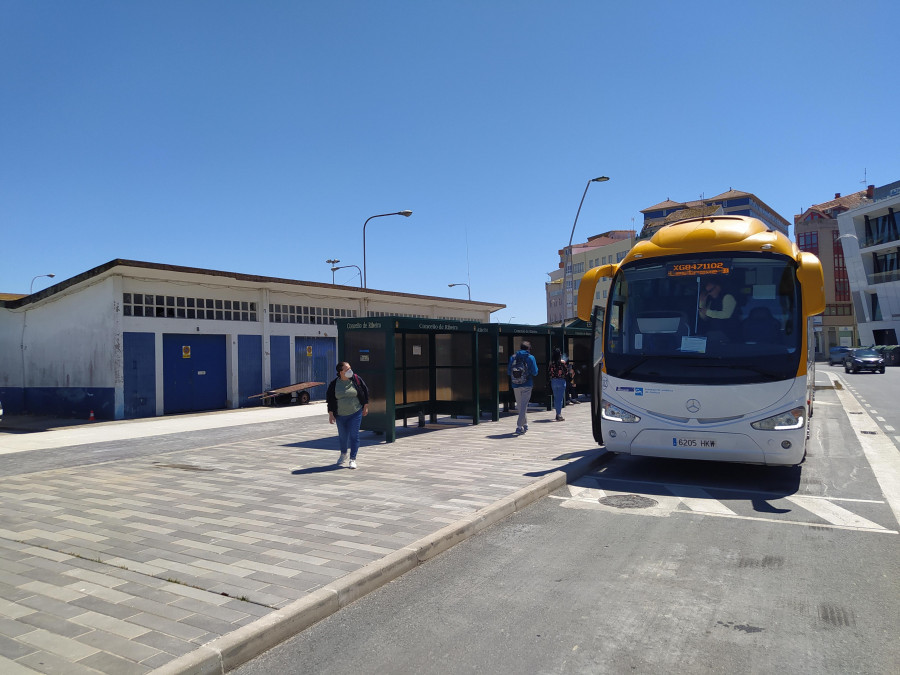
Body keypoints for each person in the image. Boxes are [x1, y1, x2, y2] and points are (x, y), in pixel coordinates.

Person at [326, 362, 369, 469]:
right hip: (340, 415)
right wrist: (331, 414)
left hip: (355, 412)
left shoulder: (356, 379)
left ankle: (352, 459)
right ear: (340, 372)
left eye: (350, 368)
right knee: (343, 437)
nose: (350, 371)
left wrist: (365, 406)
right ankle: (343, 454)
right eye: (347, 369)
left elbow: (365, 391)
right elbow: (330, 399)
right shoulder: (334, 384)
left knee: (354, 436)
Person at [507, 340, 538, 435]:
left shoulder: (513, 357)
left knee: (520, 405)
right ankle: (519, 426)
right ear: (528, 348)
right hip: (527, 384)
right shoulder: (530, 357)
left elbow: (509, 372)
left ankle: (525, 424)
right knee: (524, 405)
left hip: (515, 384)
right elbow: (535, 372)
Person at [547, 347, 567, 421]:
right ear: (559, 354)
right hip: (561, 381)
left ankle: (557, 413)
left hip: (554, 381)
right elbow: (566, 372)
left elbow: (549, 372)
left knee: (556, 398)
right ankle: (559, 414)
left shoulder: (551, 363)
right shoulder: (562, 362)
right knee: (560, 398)